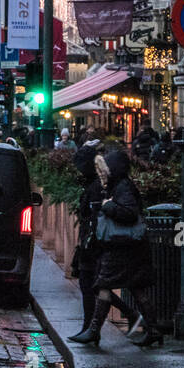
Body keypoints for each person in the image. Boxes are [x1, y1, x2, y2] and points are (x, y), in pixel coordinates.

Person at [70, 150, 163, 347]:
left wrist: (107, 206)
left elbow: (129, 212)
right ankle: (152, 330)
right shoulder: (120, 185)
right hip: (127, 248)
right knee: (134, 289)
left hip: (124, 248)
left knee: (106, 286)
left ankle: (95, 330)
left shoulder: (123, 187)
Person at [68, 139, 139, 336]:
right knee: (95, 284)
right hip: (93, 241)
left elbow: (96, 215)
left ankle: (92, 328)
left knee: (94, 284)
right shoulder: (96, 183)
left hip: (96, 242)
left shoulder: (98, 186)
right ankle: (95, 327)